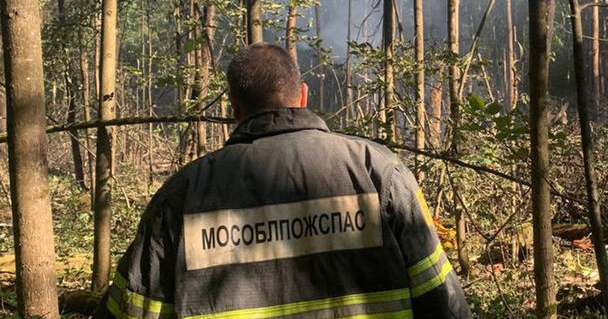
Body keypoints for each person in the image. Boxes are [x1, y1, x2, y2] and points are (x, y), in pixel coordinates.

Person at [94, 42, 471, 319]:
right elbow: (443, 303)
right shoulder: (379, 172)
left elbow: (131, 311)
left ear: (234, 108)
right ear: (303, 95)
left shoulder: (183, 196)